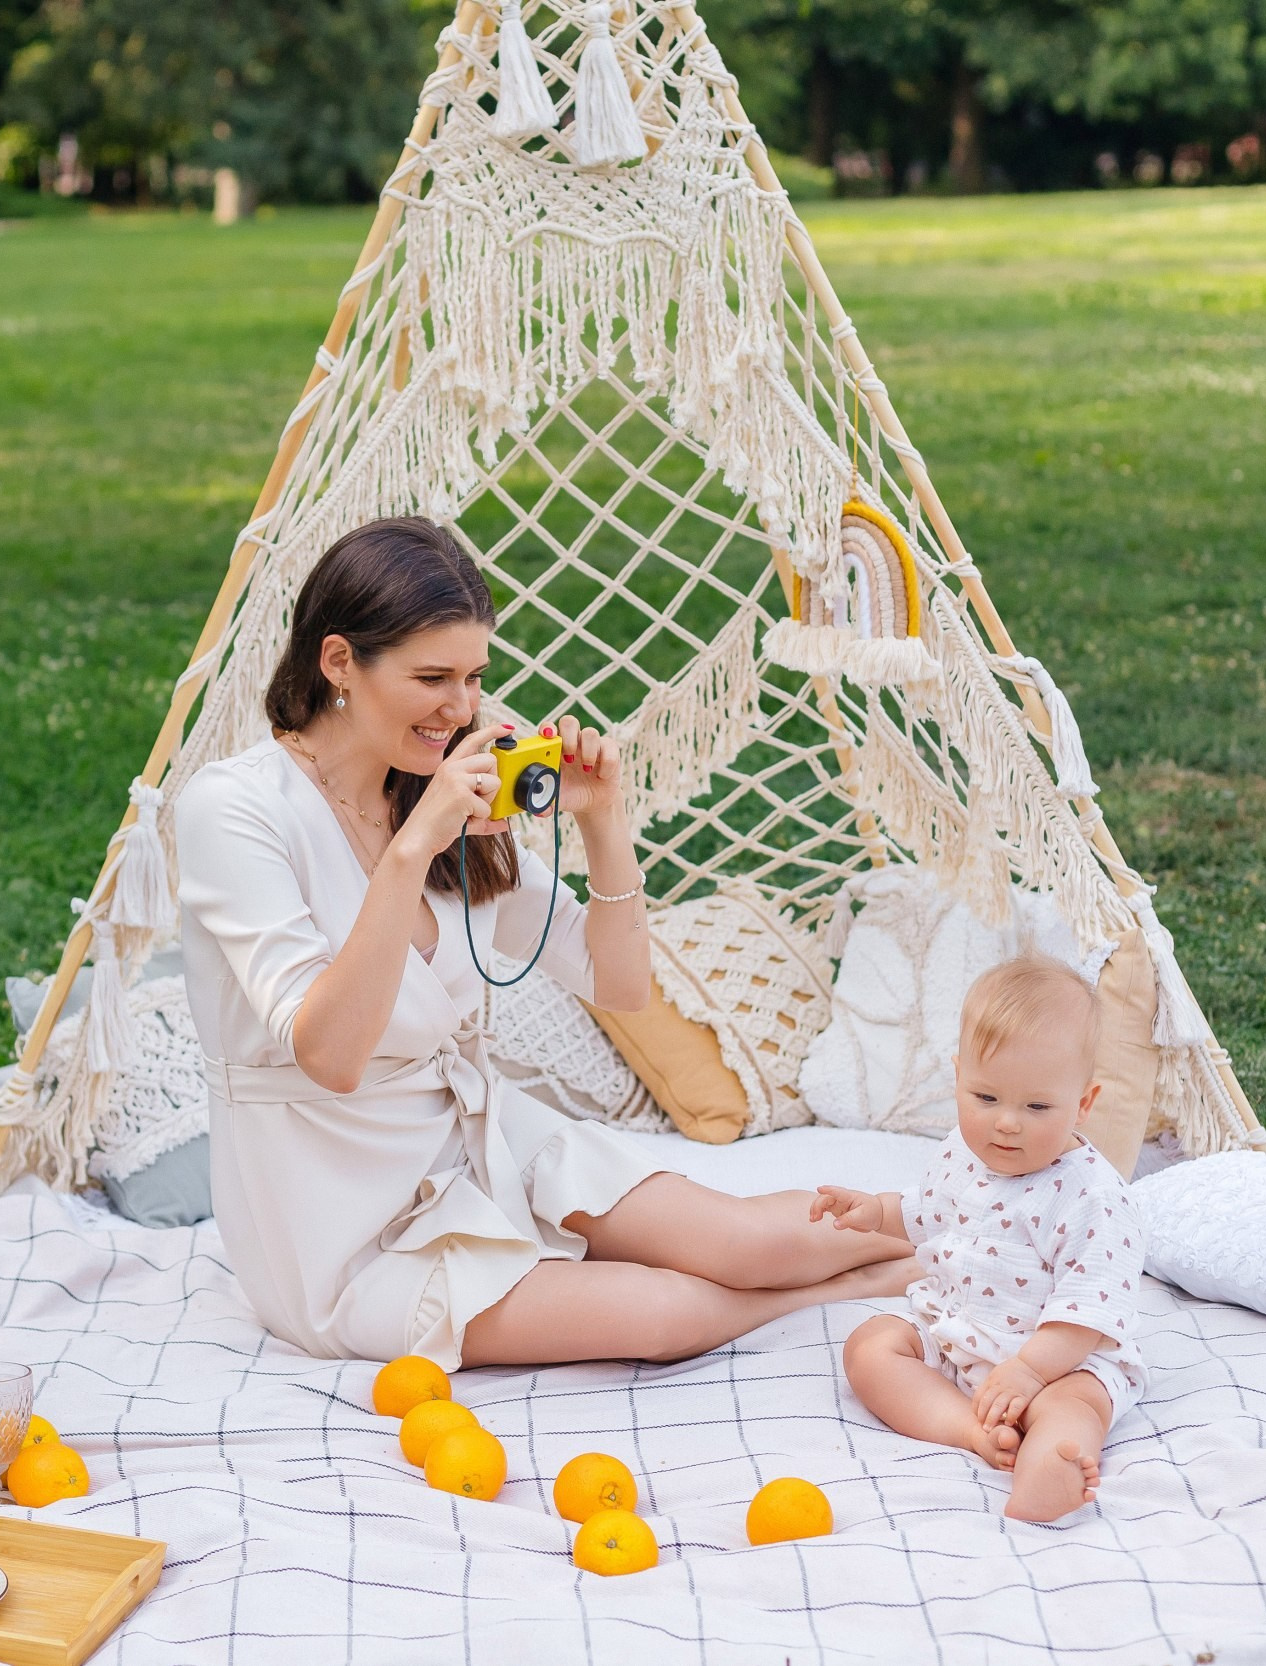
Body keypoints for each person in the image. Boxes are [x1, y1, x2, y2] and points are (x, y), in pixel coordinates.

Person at [173, 516, 914, 1370]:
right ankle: (855, 1290)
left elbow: (620, 982)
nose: (462, 709)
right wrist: (417, 846)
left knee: (749, 1238)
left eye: (475, 677)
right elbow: (331, 1054)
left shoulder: (436, 785)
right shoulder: (236, 810)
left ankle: (974, 1214)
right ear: (338, 662)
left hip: (476, 1137)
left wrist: (603, 820)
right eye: (432, 678)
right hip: (336, 1222)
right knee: (659, 1313)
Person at [810, 955, 1144, 1521]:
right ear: (959, 1076)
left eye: (1037, 1106)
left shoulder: (1092, 1197)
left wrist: (1031, 1371)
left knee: (1075, 1406)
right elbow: (927, 1211)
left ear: (1083, 1104)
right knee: (869, 1346)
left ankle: (1054, 1468)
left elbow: (1086, 1314)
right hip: (957, 1335)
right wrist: (876, 1211)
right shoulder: (964, 1153)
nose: (1006, 1122)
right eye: (985, 1099)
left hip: (1057, 1360)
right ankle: (969, 1429)